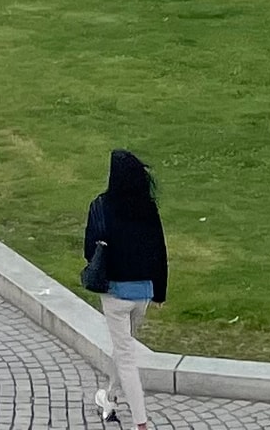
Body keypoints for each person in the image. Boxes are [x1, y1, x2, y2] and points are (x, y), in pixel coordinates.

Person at [80, 147, 166, 429]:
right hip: (143, 293)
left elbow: (88, 250)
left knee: (126, 356)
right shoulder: (148, 208)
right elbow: (159, 250)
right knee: (124, 345)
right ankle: (109, 395)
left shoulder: (101, 205)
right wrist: (160, 292)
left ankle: (140, 422)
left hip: (115, 293)